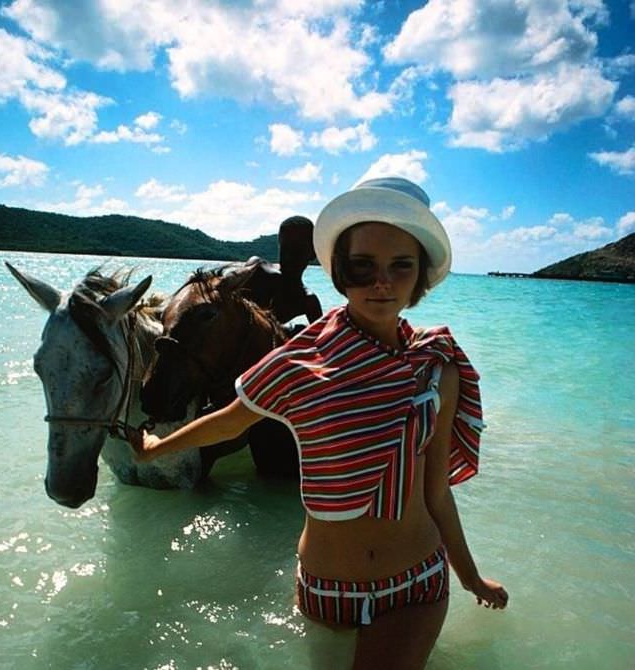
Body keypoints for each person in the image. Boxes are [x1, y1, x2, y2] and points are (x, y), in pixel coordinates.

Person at [130, 177, 509, 669]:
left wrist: (470, 577)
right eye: (362, 266)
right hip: (323, 590)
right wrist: (154, 447)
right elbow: (228, 422)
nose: (381, 282)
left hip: (414, 583)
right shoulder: (300, 361)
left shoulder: (437, 366)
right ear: (339, 273)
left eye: (401, 266)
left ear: (420, 278)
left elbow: (435, 492)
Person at [238, 215, 323, 324]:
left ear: (313, 253)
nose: (288, 256)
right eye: (285, 248)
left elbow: (323, 338)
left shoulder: (307, 300)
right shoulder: (258, 269)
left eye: (297, 250)